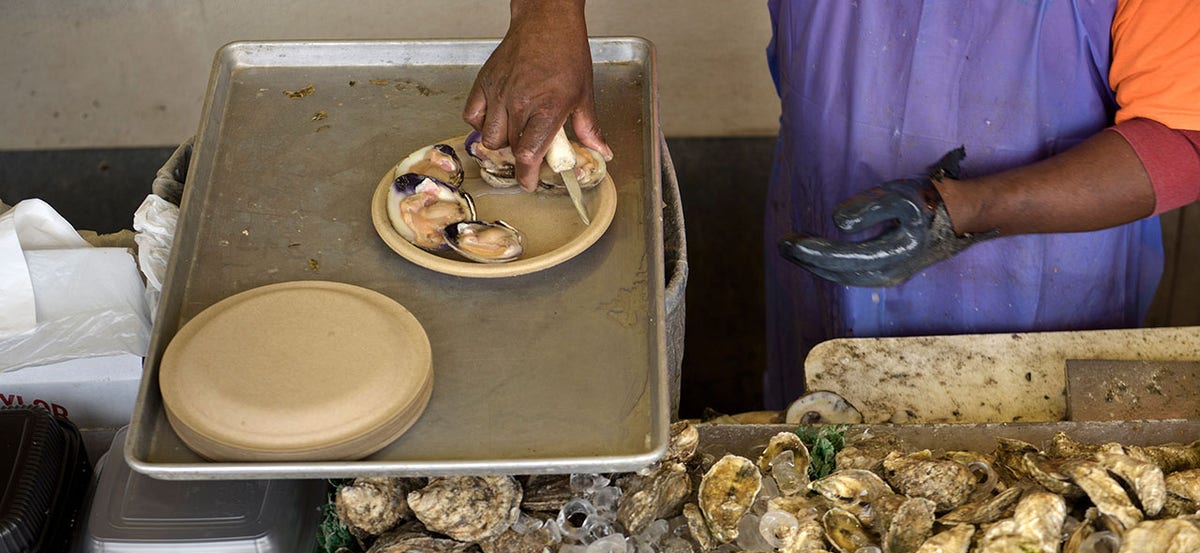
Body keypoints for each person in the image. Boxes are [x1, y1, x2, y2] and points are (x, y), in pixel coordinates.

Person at [465, 1, 1200, 409]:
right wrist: (545, 16)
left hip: (1043, 276)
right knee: (821, 461)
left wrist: (968, 209)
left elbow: (1184, 138)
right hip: (824, 213)